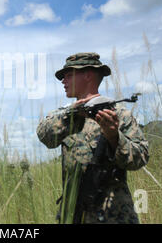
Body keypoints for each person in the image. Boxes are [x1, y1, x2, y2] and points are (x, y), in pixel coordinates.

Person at [36, 53, 149, 224]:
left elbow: (140, 157)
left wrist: (114, 138)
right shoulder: (65, 114)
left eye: (68, 75)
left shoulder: (118, 114)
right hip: (73, 211)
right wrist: (71, 115)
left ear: (88, 75)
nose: (63, 81)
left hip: (114, 214)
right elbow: (45, 136)